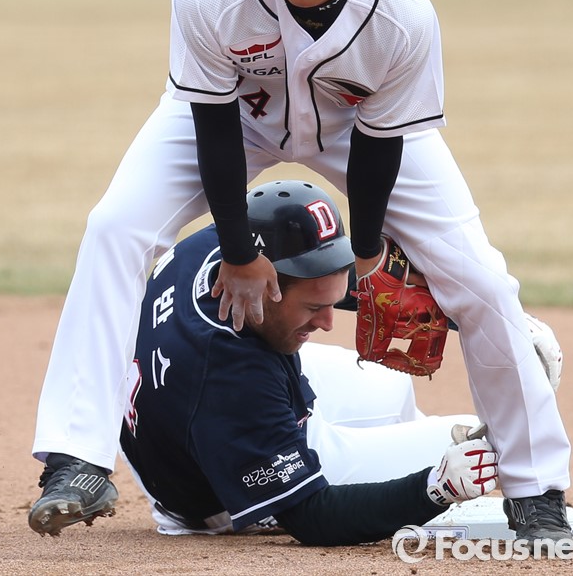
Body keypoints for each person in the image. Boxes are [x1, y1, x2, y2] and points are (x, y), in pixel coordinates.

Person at [29, 0, 572, 543]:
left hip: (356, 129)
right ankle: (76, 458)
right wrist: (239, 251)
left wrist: (368, 254)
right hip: (235, 119)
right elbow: (213, 127)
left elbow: (379, 146)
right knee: (115, 226)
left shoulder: (401, 15)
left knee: (482, 279)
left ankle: (534, 487)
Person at [126, 180, 500, 544]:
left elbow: (322, 277)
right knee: (477, 440)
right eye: (313, 308)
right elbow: (312, 517)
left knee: (392, 385)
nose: (328, 322)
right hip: (215, 490)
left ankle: (399, 453)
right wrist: (434, 487)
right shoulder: (231, 377)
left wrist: (486, 321)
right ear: (265, 287)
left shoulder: (232, 246)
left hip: (185, 429)